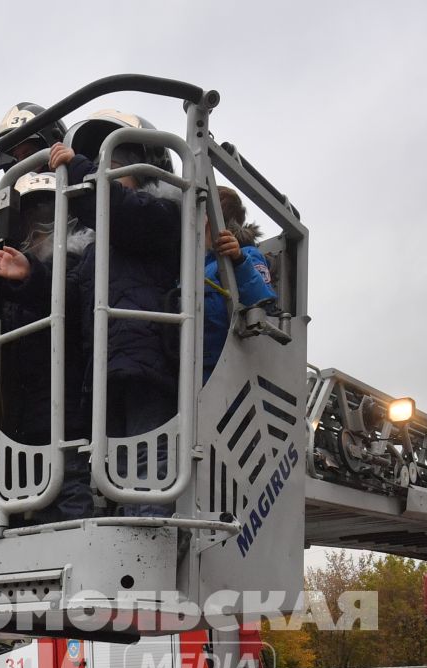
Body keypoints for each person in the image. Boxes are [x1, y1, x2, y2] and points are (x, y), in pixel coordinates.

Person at [47, 119, 183, 515]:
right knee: (118, 469)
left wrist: (79, 169)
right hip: (107, 367)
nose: (108, 172)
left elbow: (117, 210)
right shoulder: (92, 248)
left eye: (117, 162)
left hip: (148, 362)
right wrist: (23, 276)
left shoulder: (163, 213)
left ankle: (150, 542)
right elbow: (64, 296)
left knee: (148, 464)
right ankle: (131, 546)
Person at [0, 172, 95, 520]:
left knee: (71, 493)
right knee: (34, 504)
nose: (38, 227)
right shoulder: (15, 271)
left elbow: (69, 298)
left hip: (68, 412)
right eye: (29, 217)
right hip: (22, 418)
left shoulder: (81, 258)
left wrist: (28, 275)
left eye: (47, 213)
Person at [201, 187, 277, 382]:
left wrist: (239, 260)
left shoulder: (247, 255)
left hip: (229, 370)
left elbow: (262, 300)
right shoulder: (193, 263)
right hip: (193, 365)